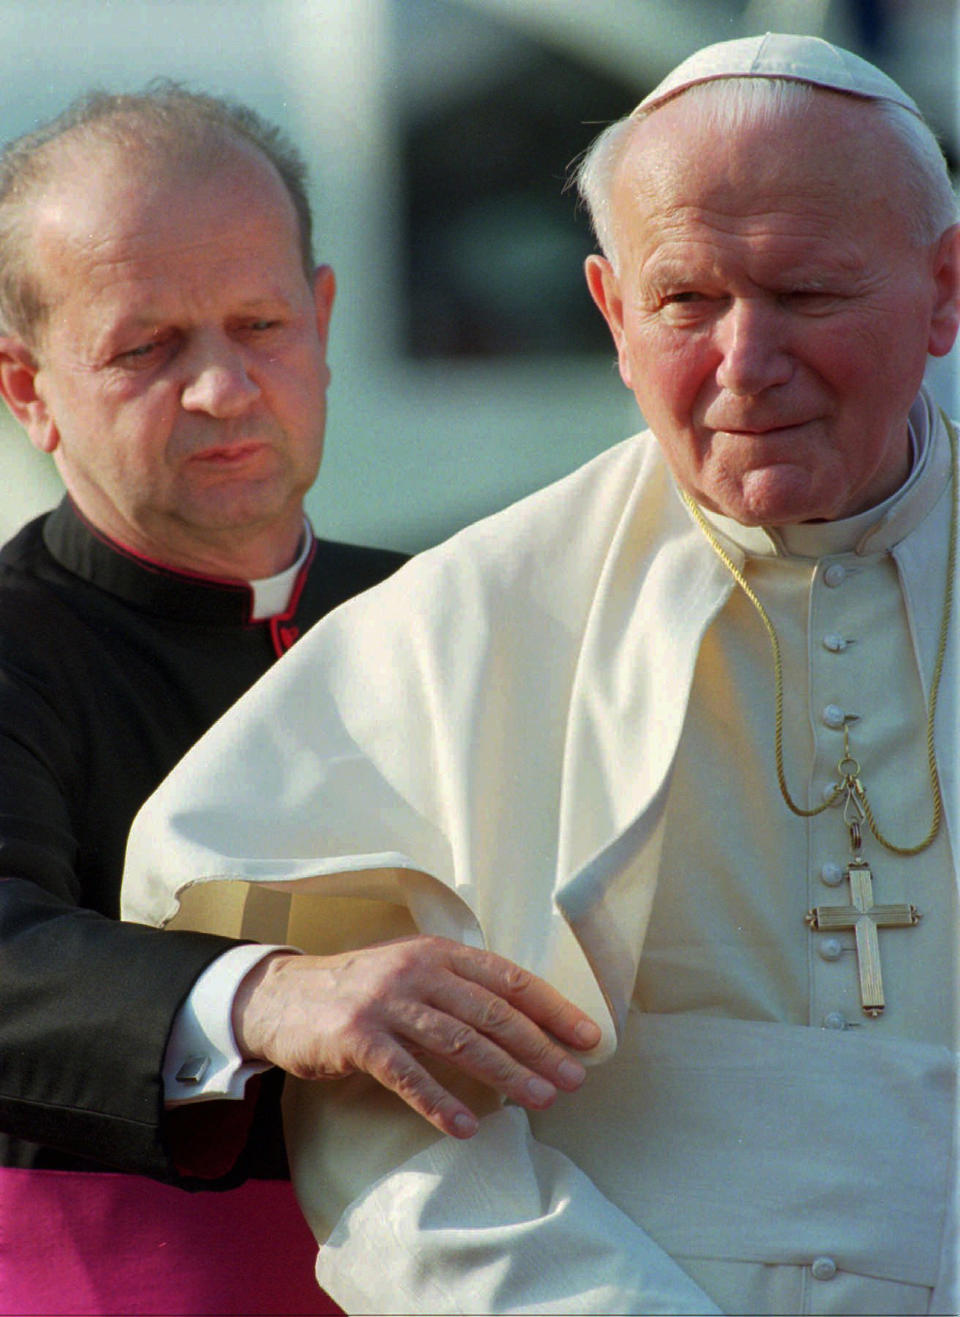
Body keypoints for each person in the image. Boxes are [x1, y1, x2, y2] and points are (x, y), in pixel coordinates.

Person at [123, 32, 960, 1317]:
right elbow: (396, 1150)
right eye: (686, 301)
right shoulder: (456, 634)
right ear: (612, 311)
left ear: (945, 288)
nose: (745, 362)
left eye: (807, 294)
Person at [0, 85, 599, 1316]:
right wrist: (266, 992)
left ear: (322, 320)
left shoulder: (464, 613)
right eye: (145, 348)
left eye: (259, 323)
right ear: (26, 388)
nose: (221, 389)